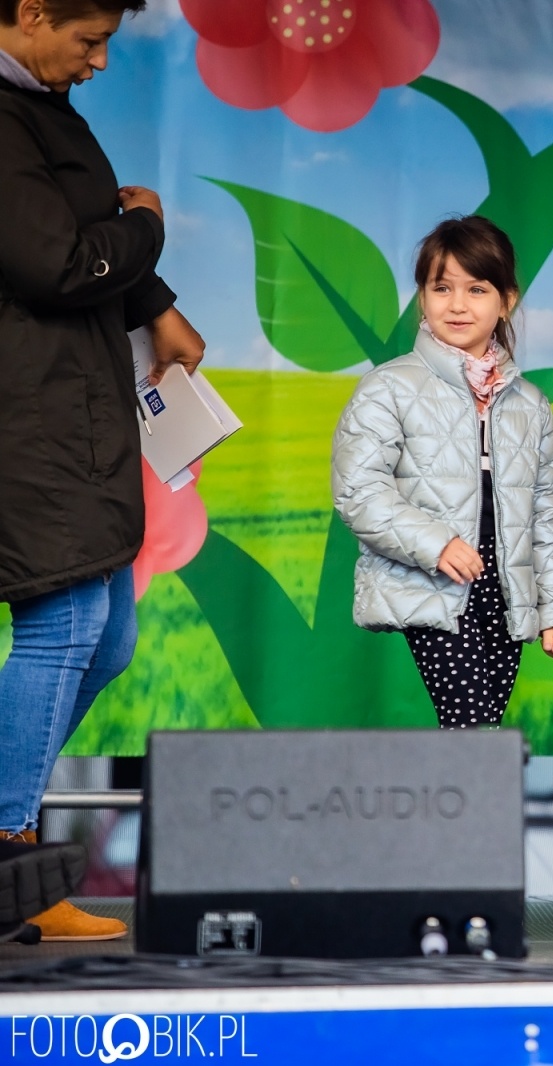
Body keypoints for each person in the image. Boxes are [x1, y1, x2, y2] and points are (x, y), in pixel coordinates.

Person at [0, 0, 206, 943]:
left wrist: (154, 302)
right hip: (29, 411)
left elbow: (86, 233)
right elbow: (59, 262)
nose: (100, 62)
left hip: (77, 407)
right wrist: (149, 228)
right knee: (67, 621)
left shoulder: (42, 107)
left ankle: (12, 847)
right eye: (89, 40)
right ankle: (9, 854)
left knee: (111, 635)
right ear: (31, 11)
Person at [332, 216, 553, 730]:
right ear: (422, 298)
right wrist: (437, 544)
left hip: (505, 591)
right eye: (441, 288)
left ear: (506, 301)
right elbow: (359, 491)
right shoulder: (388, 387)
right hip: (434, 582)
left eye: (477, 289)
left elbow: (546, 517)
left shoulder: (530, 404)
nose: (458, 304)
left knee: (481, 732)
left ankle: (460, 788)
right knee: (469, 725)